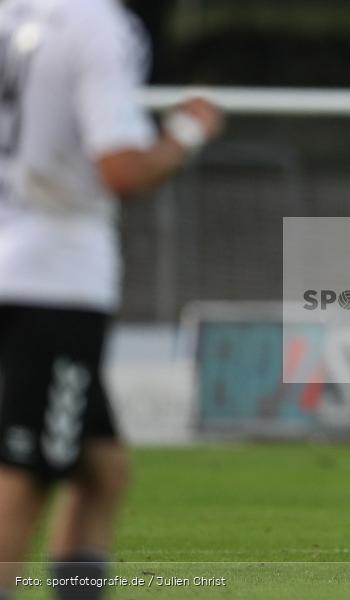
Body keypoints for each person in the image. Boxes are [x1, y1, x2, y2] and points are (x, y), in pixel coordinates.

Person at [0, 0, 223, 598]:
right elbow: (121, 169)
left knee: (101, 471)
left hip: (14, 262)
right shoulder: (93, 25)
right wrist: (187, 131)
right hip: (52, 283)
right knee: (26, 473)